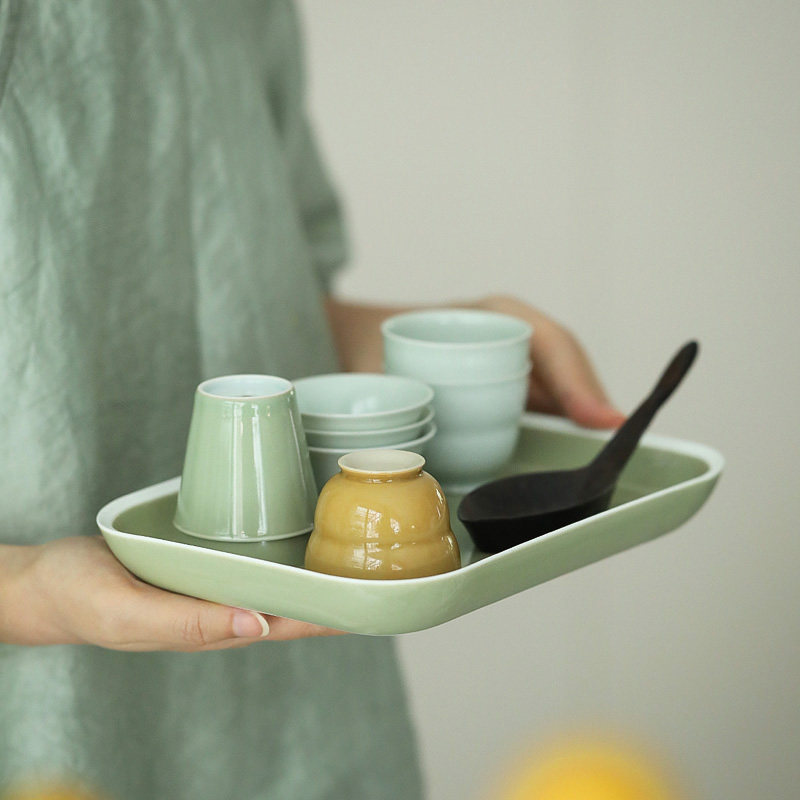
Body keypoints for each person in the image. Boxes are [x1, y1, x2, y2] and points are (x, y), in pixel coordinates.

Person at [0, 2, 623, 798]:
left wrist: (418, 352)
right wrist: (25, 591)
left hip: (301, 691)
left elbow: (261, 285)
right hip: (52, 697)